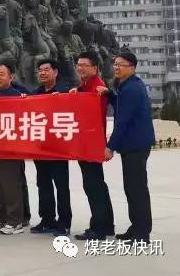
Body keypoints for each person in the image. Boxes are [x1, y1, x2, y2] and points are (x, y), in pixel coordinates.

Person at [101, 52, 155, 243]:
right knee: (132, 188)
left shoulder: (132, 88)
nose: (116, 68)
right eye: (115, 64)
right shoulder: (126, 85)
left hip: (136, 144)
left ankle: (142, 234)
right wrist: (109, 94)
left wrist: (110, 147)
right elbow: (120, 107)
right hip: (132, 144)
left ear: (132, 68)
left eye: (121, 65)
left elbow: (123, 120)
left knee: (137, 189)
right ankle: (137, 227)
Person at [70, 51, 115, 241]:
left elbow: (93, 115)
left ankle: (98, 228)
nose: (80, 68)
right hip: (86, 144)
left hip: (91, 144)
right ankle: (107, 225)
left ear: (95, 68)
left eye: (84, 65)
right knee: (98, 185)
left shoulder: (97, 88)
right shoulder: (86, 86)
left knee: (93, 186)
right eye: (78, 65)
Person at [29, 59, 72, 237]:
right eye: (40, 70)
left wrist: (62, 100)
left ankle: (64, 223)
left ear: (55, 72)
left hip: (58, 148)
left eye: (46, 69)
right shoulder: (35, 94)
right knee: (43, 184)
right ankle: (47, 220)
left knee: (61, 185)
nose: (42, 73)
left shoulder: (64, 92)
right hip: (40, 147)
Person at [0, 62, 26, 235]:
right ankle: (1, 217)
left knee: (10, 184)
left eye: (2, 74)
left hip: (10, 147)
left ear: (11, 77)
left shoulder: (17, 95)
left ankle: (15, 221)